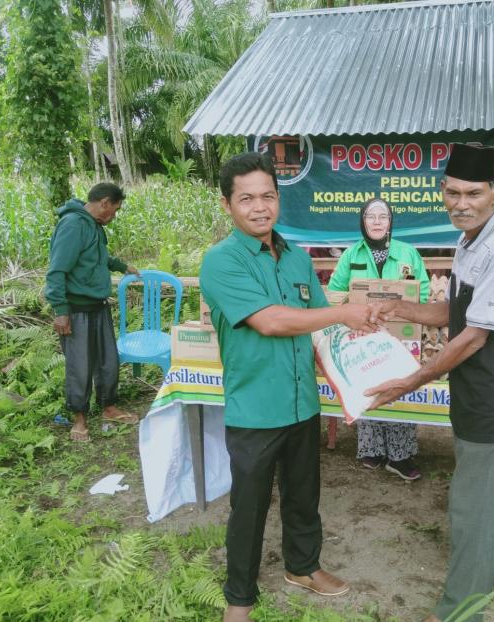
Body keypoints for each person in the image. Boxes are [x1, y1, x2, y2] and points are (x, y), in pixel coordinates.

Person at [199, 152, 380, 622]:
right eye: (247, 199)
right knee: (249, 508)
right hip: (256, 408)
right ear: (228, 205)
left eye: (267, 196)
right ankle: (238, 598)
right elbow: (272, 321)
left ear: (279, 199)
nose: (259, 207)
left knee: (304, 497)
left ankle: (303, 566)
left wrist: (355, 376)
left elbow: (319, 330)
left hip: (302, 403)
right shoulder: (221, 262)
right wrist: (343, 312)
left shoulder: (299, 259)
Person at [365, 144, 494, 621]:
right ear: (443, 191)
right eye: (453, 192)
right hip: (472, 389)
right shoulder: (469, 242)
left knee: (471, 508)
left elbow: (475, 337)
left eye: (474, 193)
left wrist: (410, 381)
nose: (461, 203)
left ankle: (459, 610)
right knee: (492, 495)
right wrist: (398, 308)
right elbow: (454, 314)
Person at [327, 196, 430, 480]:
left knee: (398, 384)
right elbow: (335, 294)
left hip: (400, 332)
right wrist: (348, 315)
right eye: (370, 216)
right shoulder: (351, 255)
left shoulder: (408, 253)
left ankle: (400, 455)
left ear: (390, 222)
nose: (376, 221)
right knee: (369, 384)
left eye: (382, 216)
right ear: (362, 221)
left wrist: (404, 312)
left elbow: (422, 293)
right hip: (363, 333)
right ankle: (371, 449)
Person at [44, 182, 140, 442]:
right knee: (80, 366)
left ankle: (109, 407)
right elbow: (56, 271)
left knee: (108, 361)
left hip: (98, 306)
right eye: (116, 210)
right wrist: (61, 310)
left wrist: (121, 265)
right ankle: (79, 419)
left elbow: (96, 257)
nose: (115, 215)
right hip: (76, 310)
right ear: (105, 203)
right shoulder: (73, 225)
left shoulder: (93, 226)